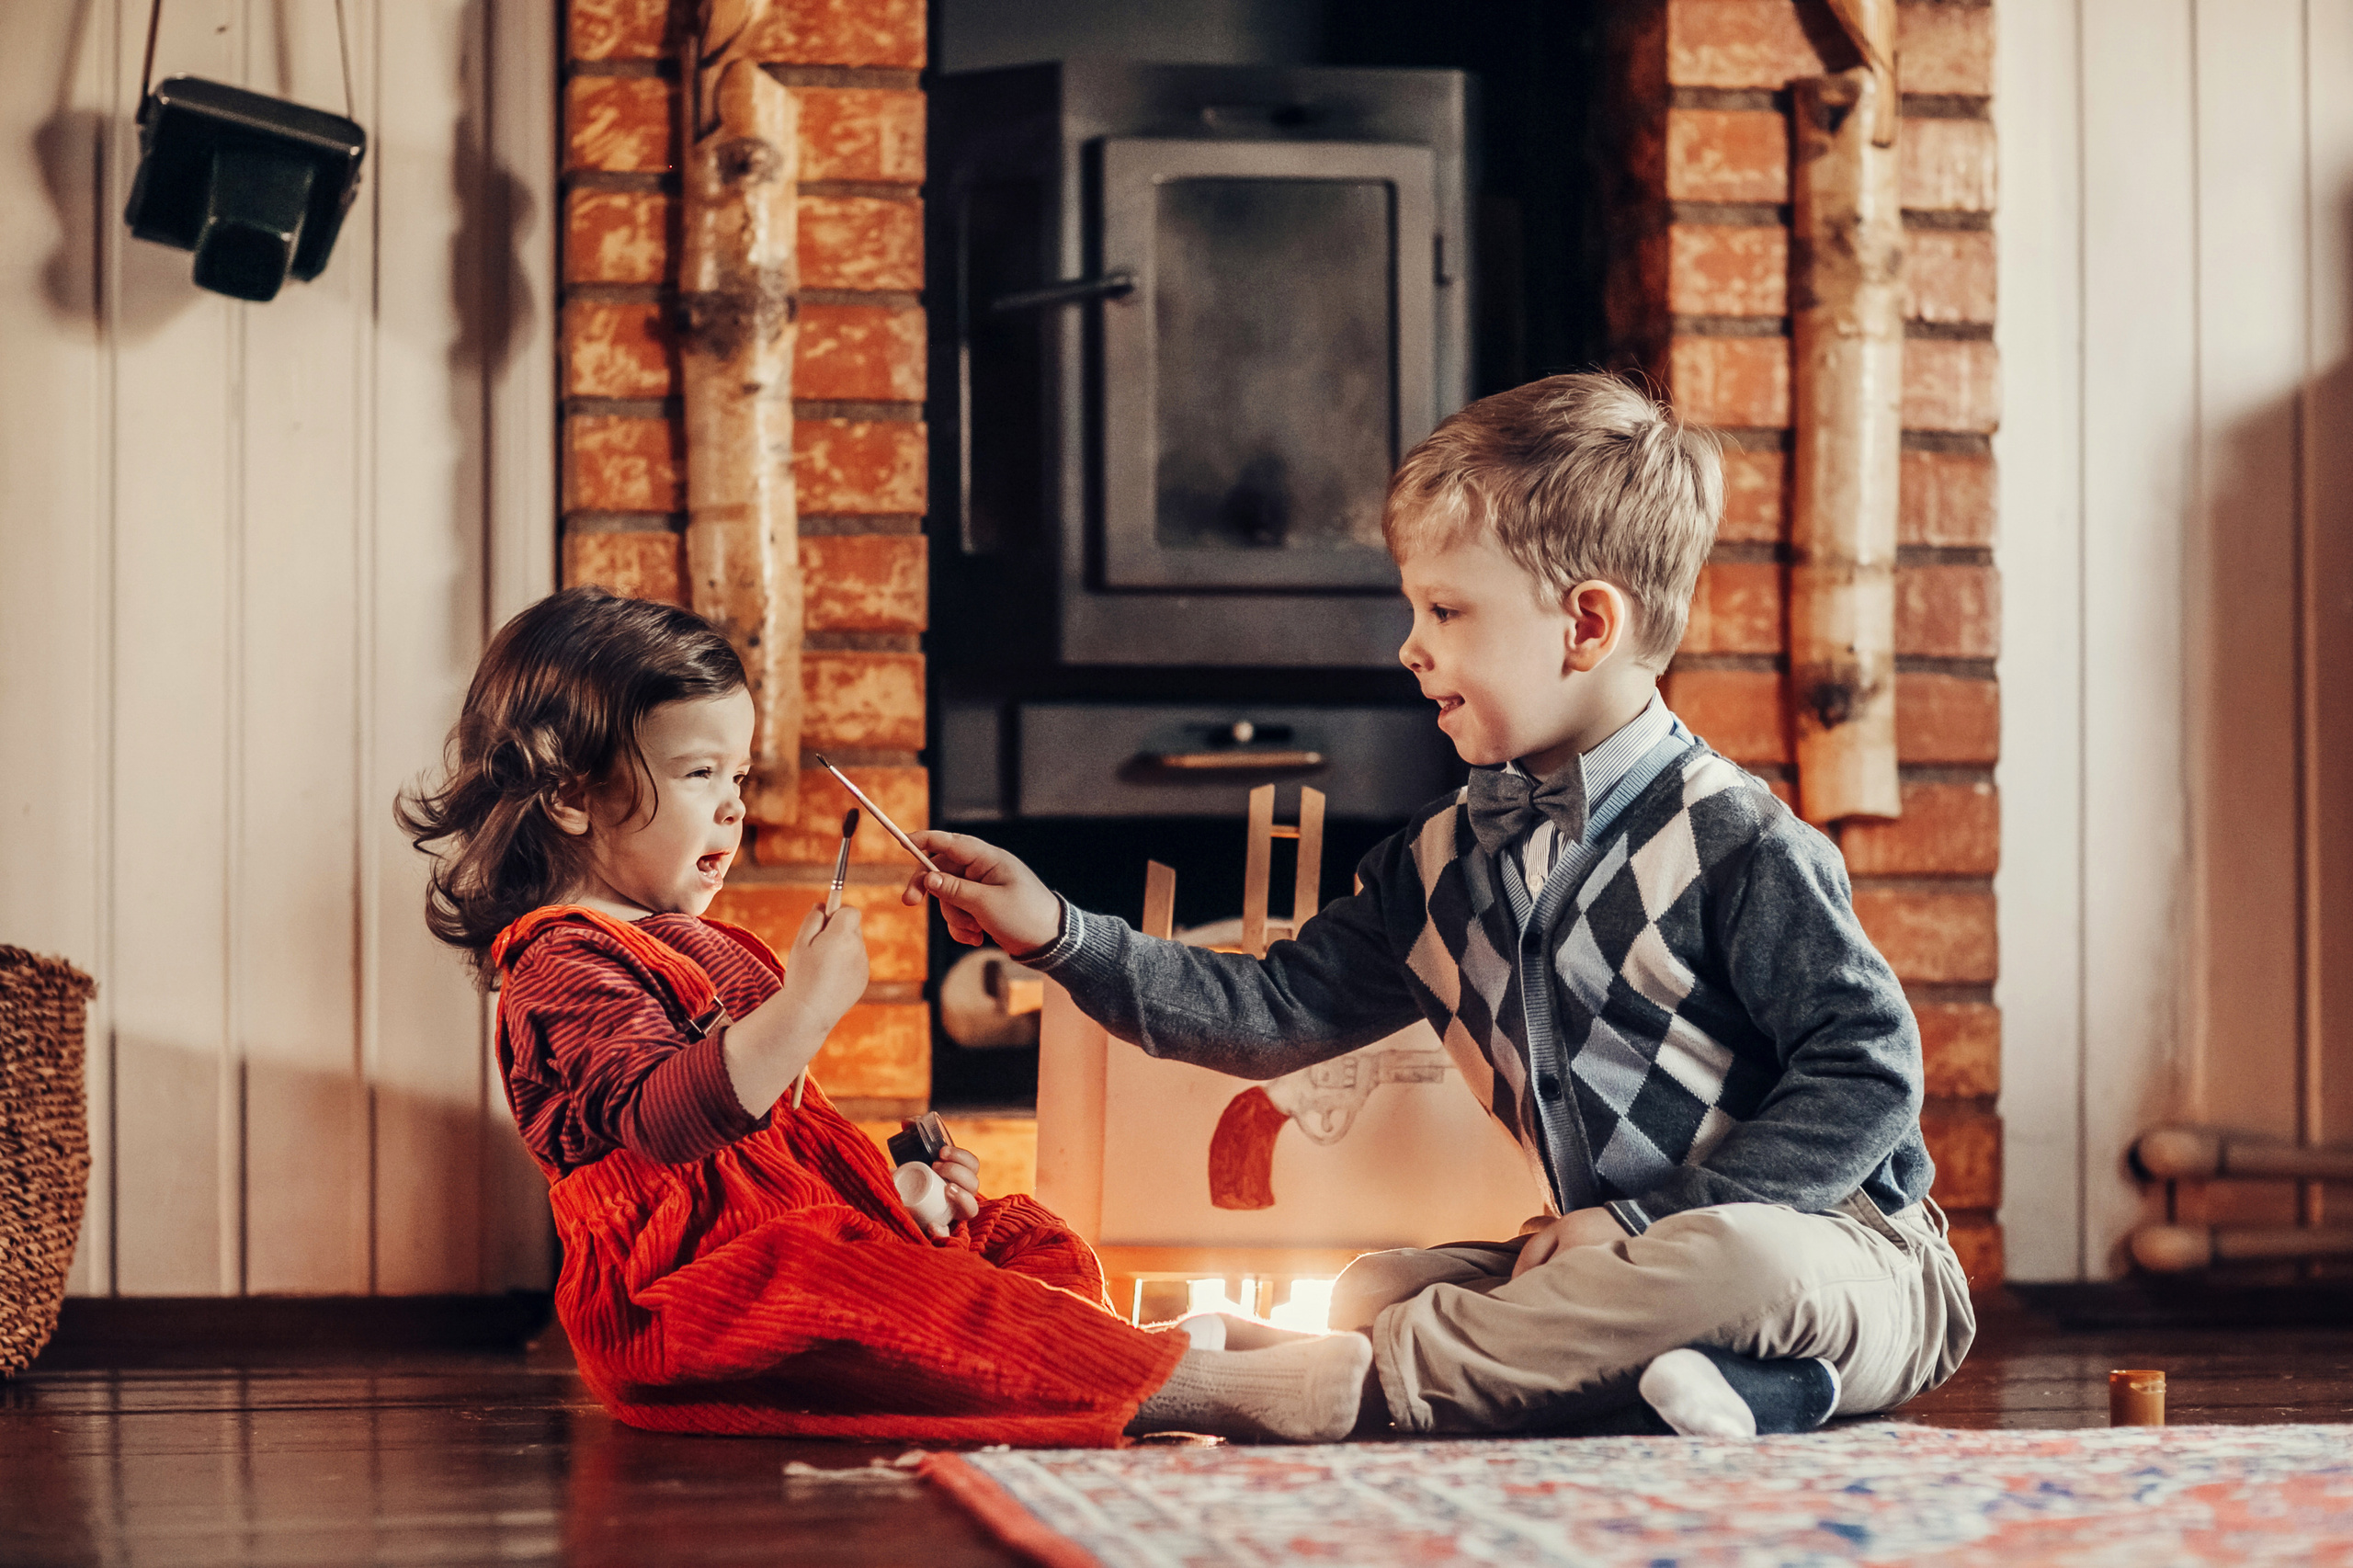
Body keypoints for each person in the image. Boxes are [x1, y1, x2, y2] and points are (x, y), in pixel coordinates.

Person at [902, 373, 1975, 1439]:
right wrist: (1055, 930)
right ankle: (1720, 1390)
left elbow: (1866, 1070)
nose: (1410, 646)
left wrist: (1652, 1219)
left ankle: (1322, 1386)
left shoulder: (1738, 842)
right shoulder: (1439, 866)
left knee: (1742, 1264)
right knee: (1381, 1283)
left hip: (1847, 1256)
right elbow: (1267, 1008)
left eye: (1446, 610)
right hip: (1616, 1266)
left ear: (1585, 624)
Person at [397, 585, 1370, 1443]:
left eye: (739, 778)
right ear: (573, 795)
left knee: (1022, 1234)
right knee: (845, 1278)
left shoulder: (719, 946)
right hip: (686, 1299)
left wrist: (903, 1196)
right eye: (700, 775)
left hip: (799, 1250)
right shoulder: (560, 959)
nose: (734, 809)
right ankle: (1196, 1383)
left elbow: (784, 1160)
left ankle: (1133, 1348)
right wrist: (809, 1002)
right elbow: (669, 1120)